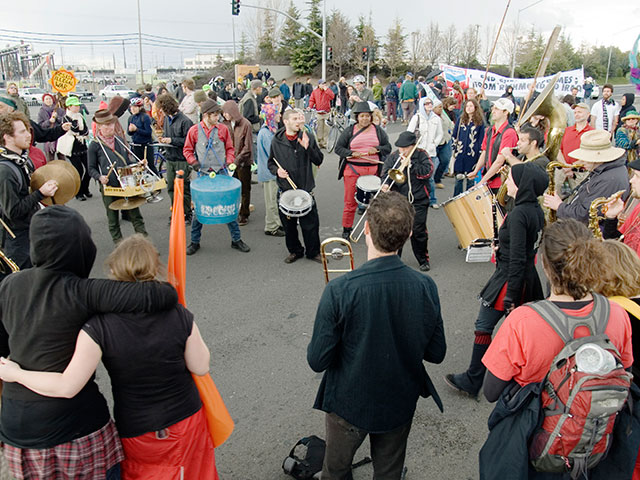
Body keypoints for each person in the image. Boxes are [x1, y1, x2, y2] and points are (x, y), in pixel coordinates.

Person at [0, 234, 218, 480]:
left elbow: (67, 385)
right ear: (155, 266)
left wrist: (16, 374)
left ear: (114, 269)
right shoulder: (178, 313)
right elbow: (201, 366)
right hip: (187, 420)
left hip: (137, 429)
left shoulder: (98, 327)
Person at [479, 219, 634, 479]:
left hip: (538, 443)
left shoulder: (523, 320)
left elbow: (491, 391)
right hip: (594, 443)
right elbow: (624, 371)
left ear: (545, 265)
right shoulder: (617, 314)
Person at [307, 191, 446, 480]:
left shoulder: (340, 289)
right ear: (409, 234)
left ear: (367, 228)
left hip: (348, 401)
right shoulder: (425, 286)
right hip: (398, 398)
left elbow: (318, 360)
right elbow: (436, 353)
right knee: (389, 472)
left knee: (335, 470)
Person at [444, 162, 548, 397]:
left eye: (511, 179)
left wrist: (511, 292)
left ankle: (473, 379)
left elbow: (519, 257)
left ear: (523, 185)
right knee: (519, 333)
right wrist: (502, 246)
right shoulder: (534, 210)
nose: (507, 183)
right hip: (525, 277)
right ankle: (518, 380)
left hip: (511, 278)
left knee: (484, 327)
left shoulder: (521, 213)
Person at [183, 100, 250, 256]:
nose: (218, 118)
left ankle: (236, 240)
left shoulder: (223, 129)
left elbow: (229, 148)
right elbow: (187, 150)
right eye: (215, 115)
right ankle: (194, 242)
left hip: (221, 173)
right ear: (206, 115)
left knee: (228, 206)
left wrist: (229, 161)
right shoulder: (194, 131)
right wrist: (193, 162)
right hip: (202, 174)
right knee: (199, 210)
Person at [0, 112, 58, 270]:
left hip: (32, 231)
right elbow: (12, 211)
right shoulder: (5, 171)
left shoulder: (23, 160)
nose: (28, 135)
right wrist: (40, 193)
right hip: (17, 243)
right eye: (22, 131)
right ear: (8, 137)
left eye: (27, 129)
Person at [267, 109, 323, 263]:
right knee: (289, 226)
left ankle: (313, 252)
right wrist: (277, 171)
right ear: (286, 122)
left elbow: (319, 160)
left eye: (299, 118)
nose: (298, 121)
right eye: (294, 119)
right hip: (286, 190)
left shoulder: (307, 137)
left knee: (310, 225)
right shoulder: (276, 140)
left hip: (305, 188)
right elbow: (270, 163)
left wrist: (308, 148)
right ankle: (295, 251)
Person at [544, 130, 629, 225]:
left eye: (586, 158)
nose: (581, 162)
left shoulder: (610, 179)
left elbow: (585, 216)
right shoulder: (605, 170)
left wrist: (559, 206)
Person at [88, 109, 148, 243]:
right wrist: (99, 177)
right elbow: (91, 168)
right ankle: (119, 246)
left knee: (136, 215)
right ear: (99, 126)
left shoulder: (119, 140)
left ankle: (145, 244)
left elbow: (127, 162)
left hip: (126, 184)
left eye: (111, 124)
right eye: (106, 125)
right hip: (109, 187)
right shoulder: (95, 145)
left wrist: (139, 164)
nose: (110, 127)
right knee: (113, 219)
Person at [334, 102, 391, 239]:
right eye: (362, 116)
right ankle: (347, 229)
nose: (364, 119)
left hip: (373, 170)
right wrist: (351, 152)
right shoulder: (349, 130)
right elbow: (338, 149)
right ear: (357, 117)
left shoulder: (378, 131)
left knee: (375, 202)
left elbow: (387, 147)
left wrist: (377, 149)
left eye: (367, 116)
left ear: (371, 117)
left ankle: (374, 228)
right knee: (350, 202)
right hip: (352, 169)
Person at [381, 131, 434, 271]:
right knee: (397, 230)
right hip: (398, 200)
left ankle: (423, 259)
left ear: (413, 146)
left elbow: (428, 172)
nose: (402, 150)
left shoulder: (422, 154)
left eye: (405, 148)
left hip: (419, 198)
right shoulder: (393, 157)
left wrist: (412, 165)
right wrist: (385, 184)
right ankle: (395, 260)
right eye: (400, 147)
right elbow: (385, 172)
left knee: (418, 230)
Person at [156, 93, 194, 224]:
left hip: (182, 160)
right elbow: (168, 135)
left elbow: (188, 142)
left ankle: (187, 214)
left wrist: (171, 140)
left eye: (161, 108)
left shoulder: (185, 121)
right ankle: (176, 212)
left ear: (167, 107)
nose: (160, 111)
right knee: (171, 188)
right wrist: (163, 140)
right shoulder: (167, 119)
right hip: (170, 159)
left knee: (184, 189)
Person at [467, 98, 517, 195]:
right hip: (489, 179)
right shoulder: (490, 130)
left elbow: (499, 161)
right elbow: (484, 151)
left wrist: (482, 182)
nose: (493, 111)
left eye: (497, 109)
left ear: (506, 112)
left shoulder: (509, 133)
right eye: (493, 108)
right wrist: (476, 170)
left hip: (500, 182)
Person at [222, 100, 253, 227]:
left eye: (226, 112)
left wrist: (236, 160)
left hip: (243, 163)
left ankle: (244, 214)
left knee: (245, 189)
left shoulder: (246, 124)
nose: (224, 115)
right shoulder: (225, 124)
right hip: (230, 162)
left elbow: (248, 147)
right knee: (232, 189)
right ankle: (234, 211)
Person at [407, 97, 443, 208]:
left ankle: (432, 199)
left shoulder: (436, 119)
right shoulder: (417, 117)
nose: (429, 105)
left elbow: (440, 134)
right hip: (418, 151)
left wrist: (434, 144)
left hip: (431, 152)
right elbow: (409, 132)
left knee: (430, 177)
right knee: (415, 174)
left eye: (430, 103)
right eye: (426, 103)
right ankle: (414, 197)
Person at [602, 157, 640, 256]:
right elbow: (618, 241)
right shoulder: (638, 209)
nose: (631, 180)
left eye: (637, 176)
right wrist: (611, 218)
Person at [257, 104, 284, 237]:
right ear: (271, 116)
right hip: (269, 173)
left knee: (274, 199)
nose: (280, 115)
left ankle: (276, 223)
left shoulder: (269, 130)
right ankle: (271, 226)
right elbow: (273, 154)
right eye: (277, 113)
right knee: (272, 201)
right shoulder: (267, 133)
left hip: (269, 171)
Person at [61, 96, 91, 200]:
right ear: (69, 107)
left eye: (78, 105)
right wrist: (79, 132)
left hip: (82, 145)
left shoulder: (80, 116)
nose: (78, 107)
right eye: (75, 105)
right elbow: (74, 129)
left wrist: (81, 132)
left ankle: (85, 188)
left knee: (89, 169)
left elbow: (85, 130)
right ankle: (78, 193)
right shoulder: (66, 118)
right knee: (78, 170)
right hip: (72, 147)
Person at [452, 99, 485, 195]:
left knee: (470, 180)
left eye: (471, 106)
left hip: (472, 155)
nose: (469, 108)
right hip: (460, 154)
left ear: (475, 108)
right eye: (467, 106)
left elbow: (481, 139)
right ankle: (456, 199)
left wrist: (479, 153)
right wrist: (455, 148)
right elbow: (455, 134)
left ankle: (468, 199)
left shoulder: (479, 122)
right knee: (458, 179)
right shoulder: (461, 119)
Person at [127, 97, 155, 173]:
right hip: (136, 145)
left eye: (135, 107)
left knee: (150, 166)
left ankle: (157, 180)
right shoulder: (131, 118)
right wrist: (130, 130)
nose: (133, 109)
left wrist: (137, 129)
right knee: (139, 166)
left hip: (146, 145)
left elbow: (148, 133)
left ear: (140, 107)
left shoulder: (145, 117)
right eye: (131, 107)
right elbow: (129, 133)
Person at [37, 93, 65, 162]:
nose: (49, 100)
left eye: (50, 99)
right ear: (44, 101)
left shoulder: (59, 110)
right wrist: (49, 121)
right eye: (46, 99)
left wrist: (57, 118)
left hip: (59, 135)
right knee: (50, 158)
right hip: (48, 137)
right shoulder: (41, 111)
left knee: (62, 158)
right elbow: (40, 125)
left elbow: (64, 120)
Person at [433, 98, 455, 190]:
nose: (441, 109)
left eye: (441, 107)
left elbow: (451, 124)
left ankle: (437, 178)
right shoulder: (431, 117)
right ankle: (430, 182)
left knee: (445, 160)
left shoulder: (444, 115)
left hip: (445, 140)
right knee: (432, 164)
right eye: (439, 107)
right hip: (434, 143)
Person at [308, 79, 335, 149]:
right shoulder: (315, 92)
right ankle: (320, 142)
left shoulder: (327, 91)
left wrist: (327, 90)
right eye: (322, 84)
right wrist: (310, 107)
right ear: (319, 84)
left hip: (326, 112)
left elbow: (332, 96)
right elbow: (312, 100)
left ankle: (325, 142)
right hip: (319, 112)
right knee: (319, 128)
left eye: (324, 84)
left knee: (326, 129)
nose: (323, 85)